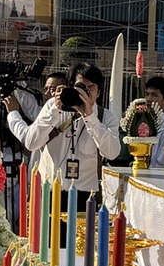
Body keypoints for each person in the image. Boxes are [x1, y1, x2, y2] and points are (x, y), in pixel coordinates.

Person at [23, 62, 122, 203]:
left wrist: (90, 118)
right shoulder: (53, 106)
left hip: (85, 195)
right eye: (81, 87)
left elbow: (112, 153)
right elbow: (31, 143)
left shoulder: (105, 117)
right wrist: (55, 111)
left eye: (91, 87)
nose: (85, 92)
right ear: (70, 87)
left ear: (99, 92)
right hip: (50, 190)